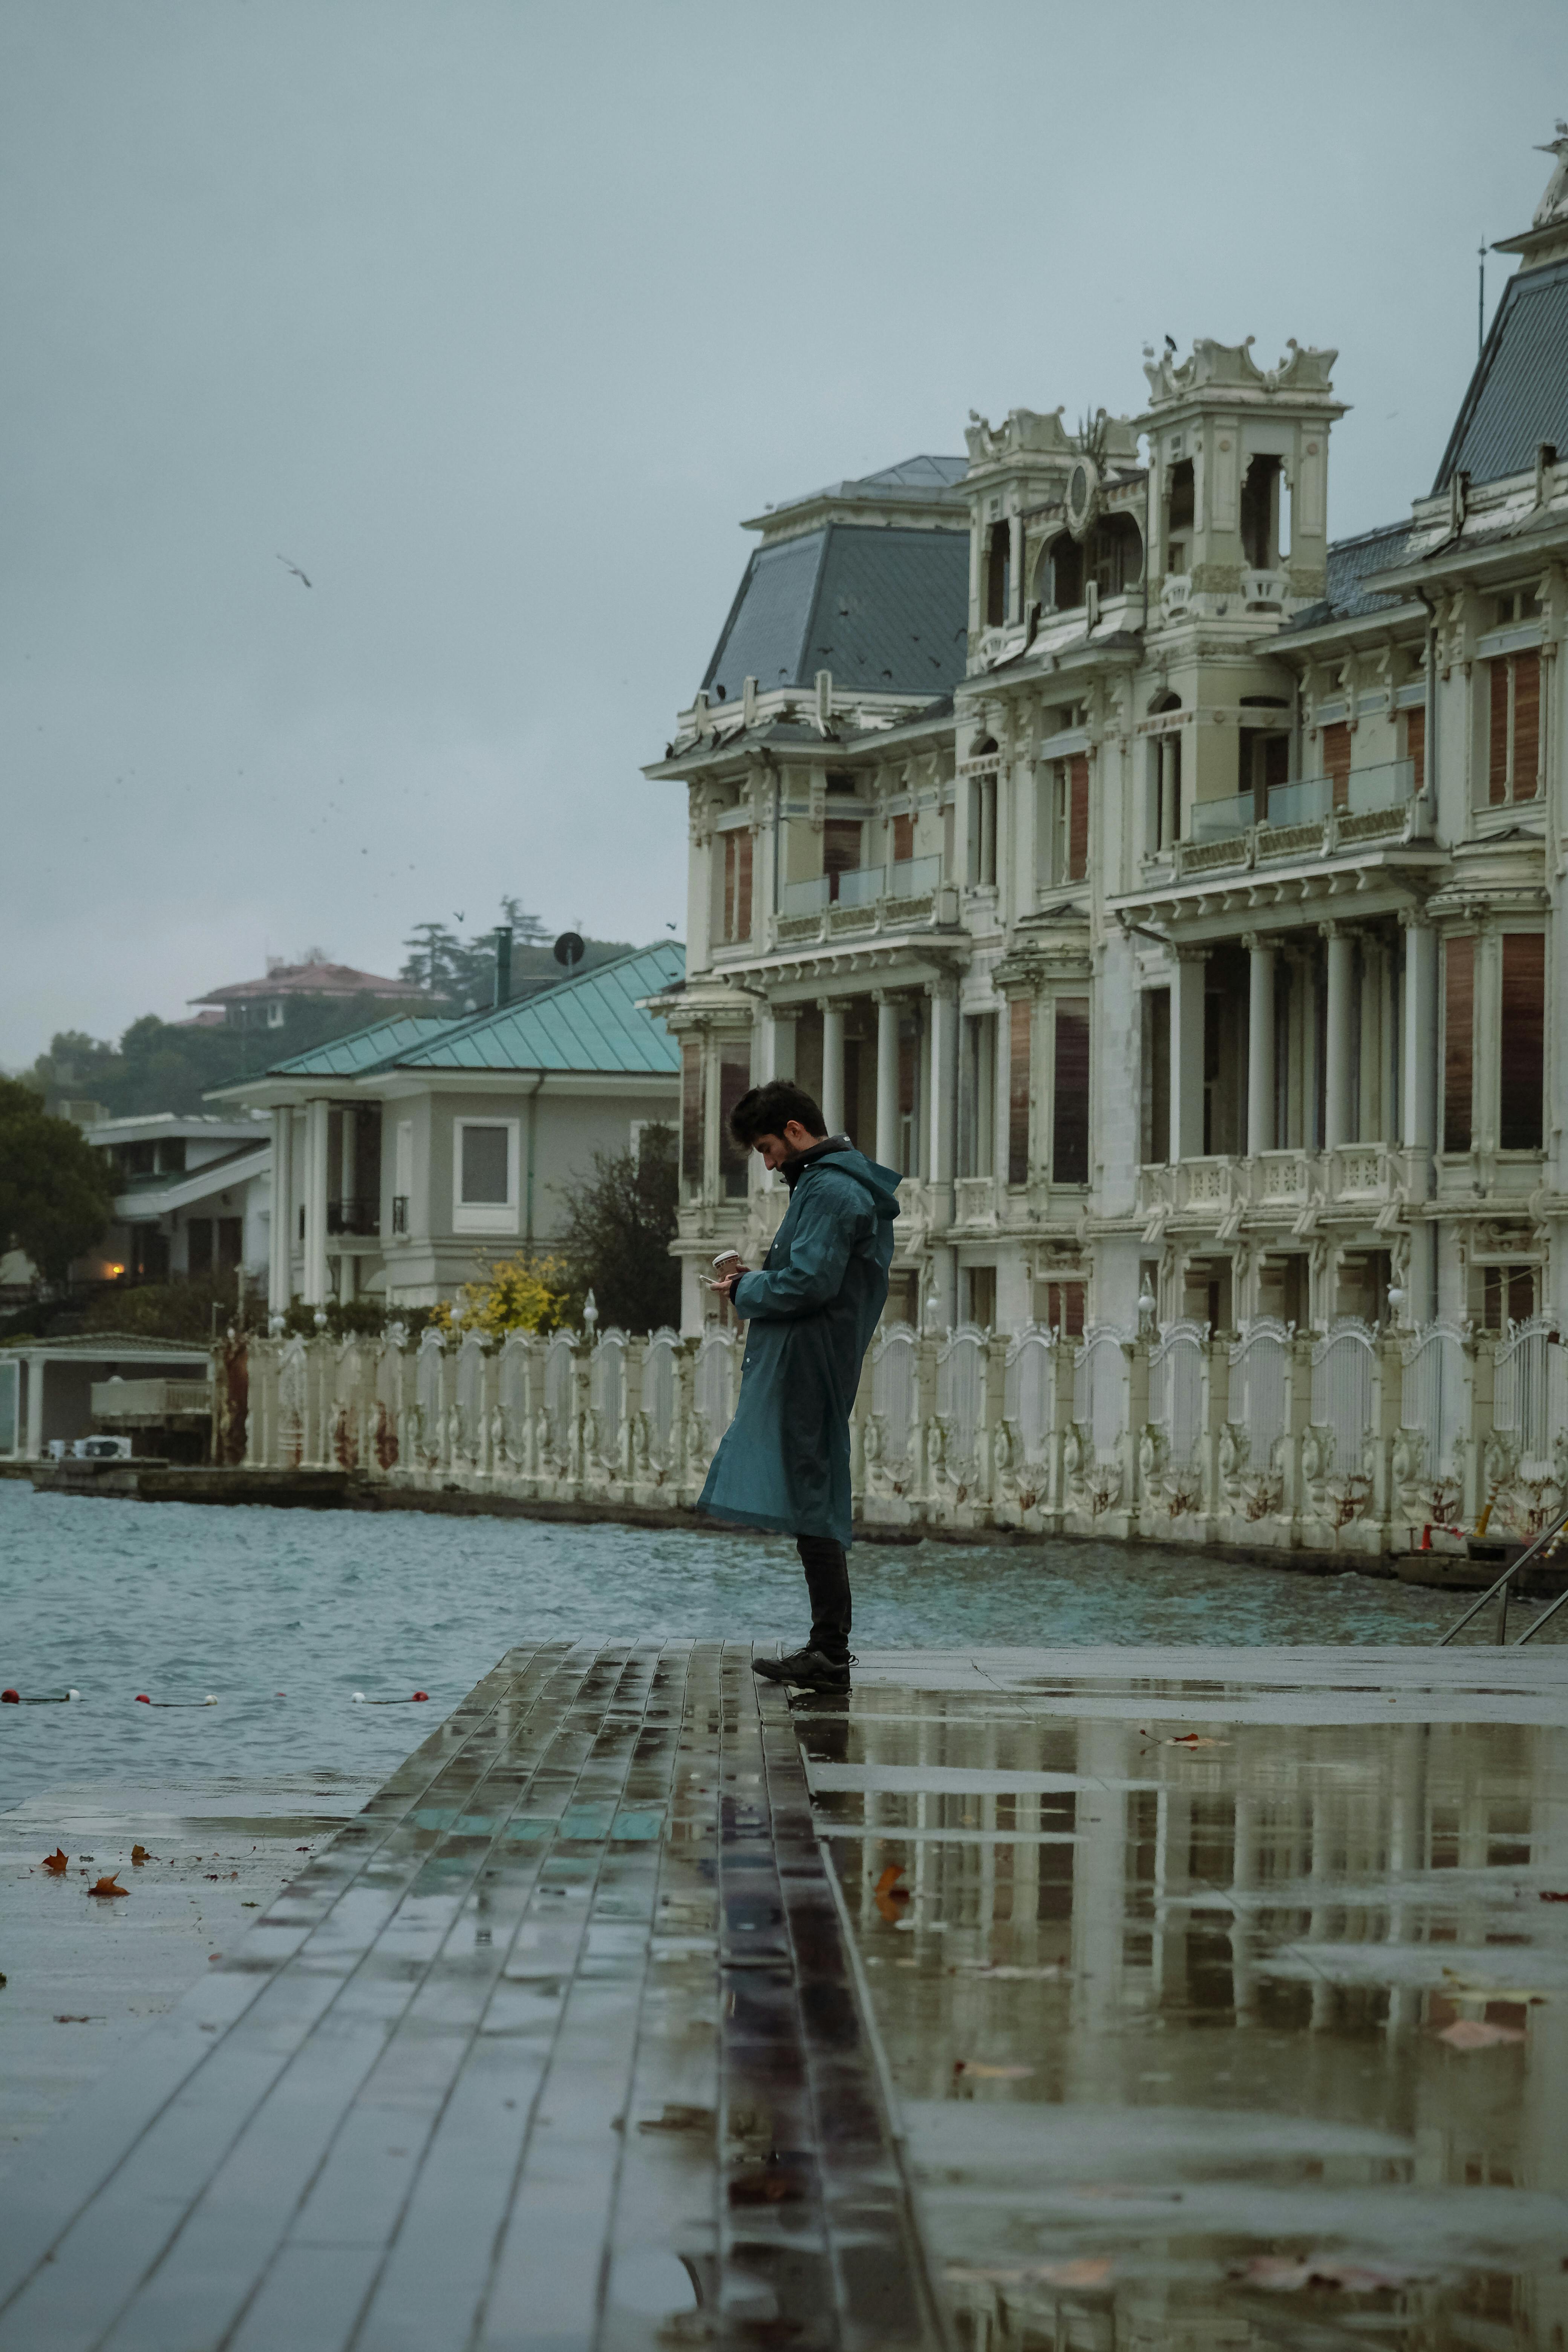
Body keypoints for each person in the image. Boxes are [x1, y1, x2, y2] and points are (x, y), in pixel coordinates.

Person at [697, 1078, 900, 1692]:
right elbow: (810, 1273)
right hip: (815, 1353)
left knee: (814, 1493)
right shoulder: (826, 1183)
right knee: (812, 1489)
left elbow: (809, 1283)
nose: (767, 1164)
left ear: (793, 1131)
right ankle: (827, 1648)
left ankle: (830, 1652)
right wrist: (758, 1283)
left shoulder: (832, 1189)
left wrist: (744, 1290)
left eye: (766, 1148)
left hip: (813, 1357)